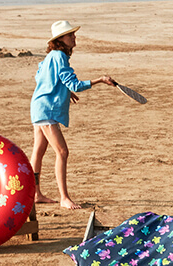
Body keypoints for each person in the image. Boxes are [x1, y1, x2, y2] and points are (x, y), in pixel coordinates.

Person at [30, 20, 114, 209]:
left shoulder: (51, 56)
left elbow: (40, 76)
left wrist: (64, 91)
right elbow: (74, 83)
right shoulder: (59, 56)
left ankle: (35, 194)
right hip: (46, 109)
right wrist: (100, 80)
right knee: (62, 151)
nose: (74, 37)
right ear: (60, 40)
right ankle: (64, 198)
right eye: (70, 35)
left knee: (39, 151)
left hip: (39, 106)